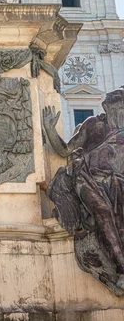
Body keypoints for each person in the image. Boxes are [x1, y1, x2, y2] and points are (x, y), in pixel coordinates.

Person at [43, 88, 124, 292]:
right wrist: (50, 129)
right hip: (87, 178)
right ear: (107, 107)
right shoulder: (93, 124)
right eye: (117, 107)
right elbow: (65, 150)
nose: (120, 112)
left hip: (117, 183)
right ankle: (121, 269)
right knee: (103, 215)